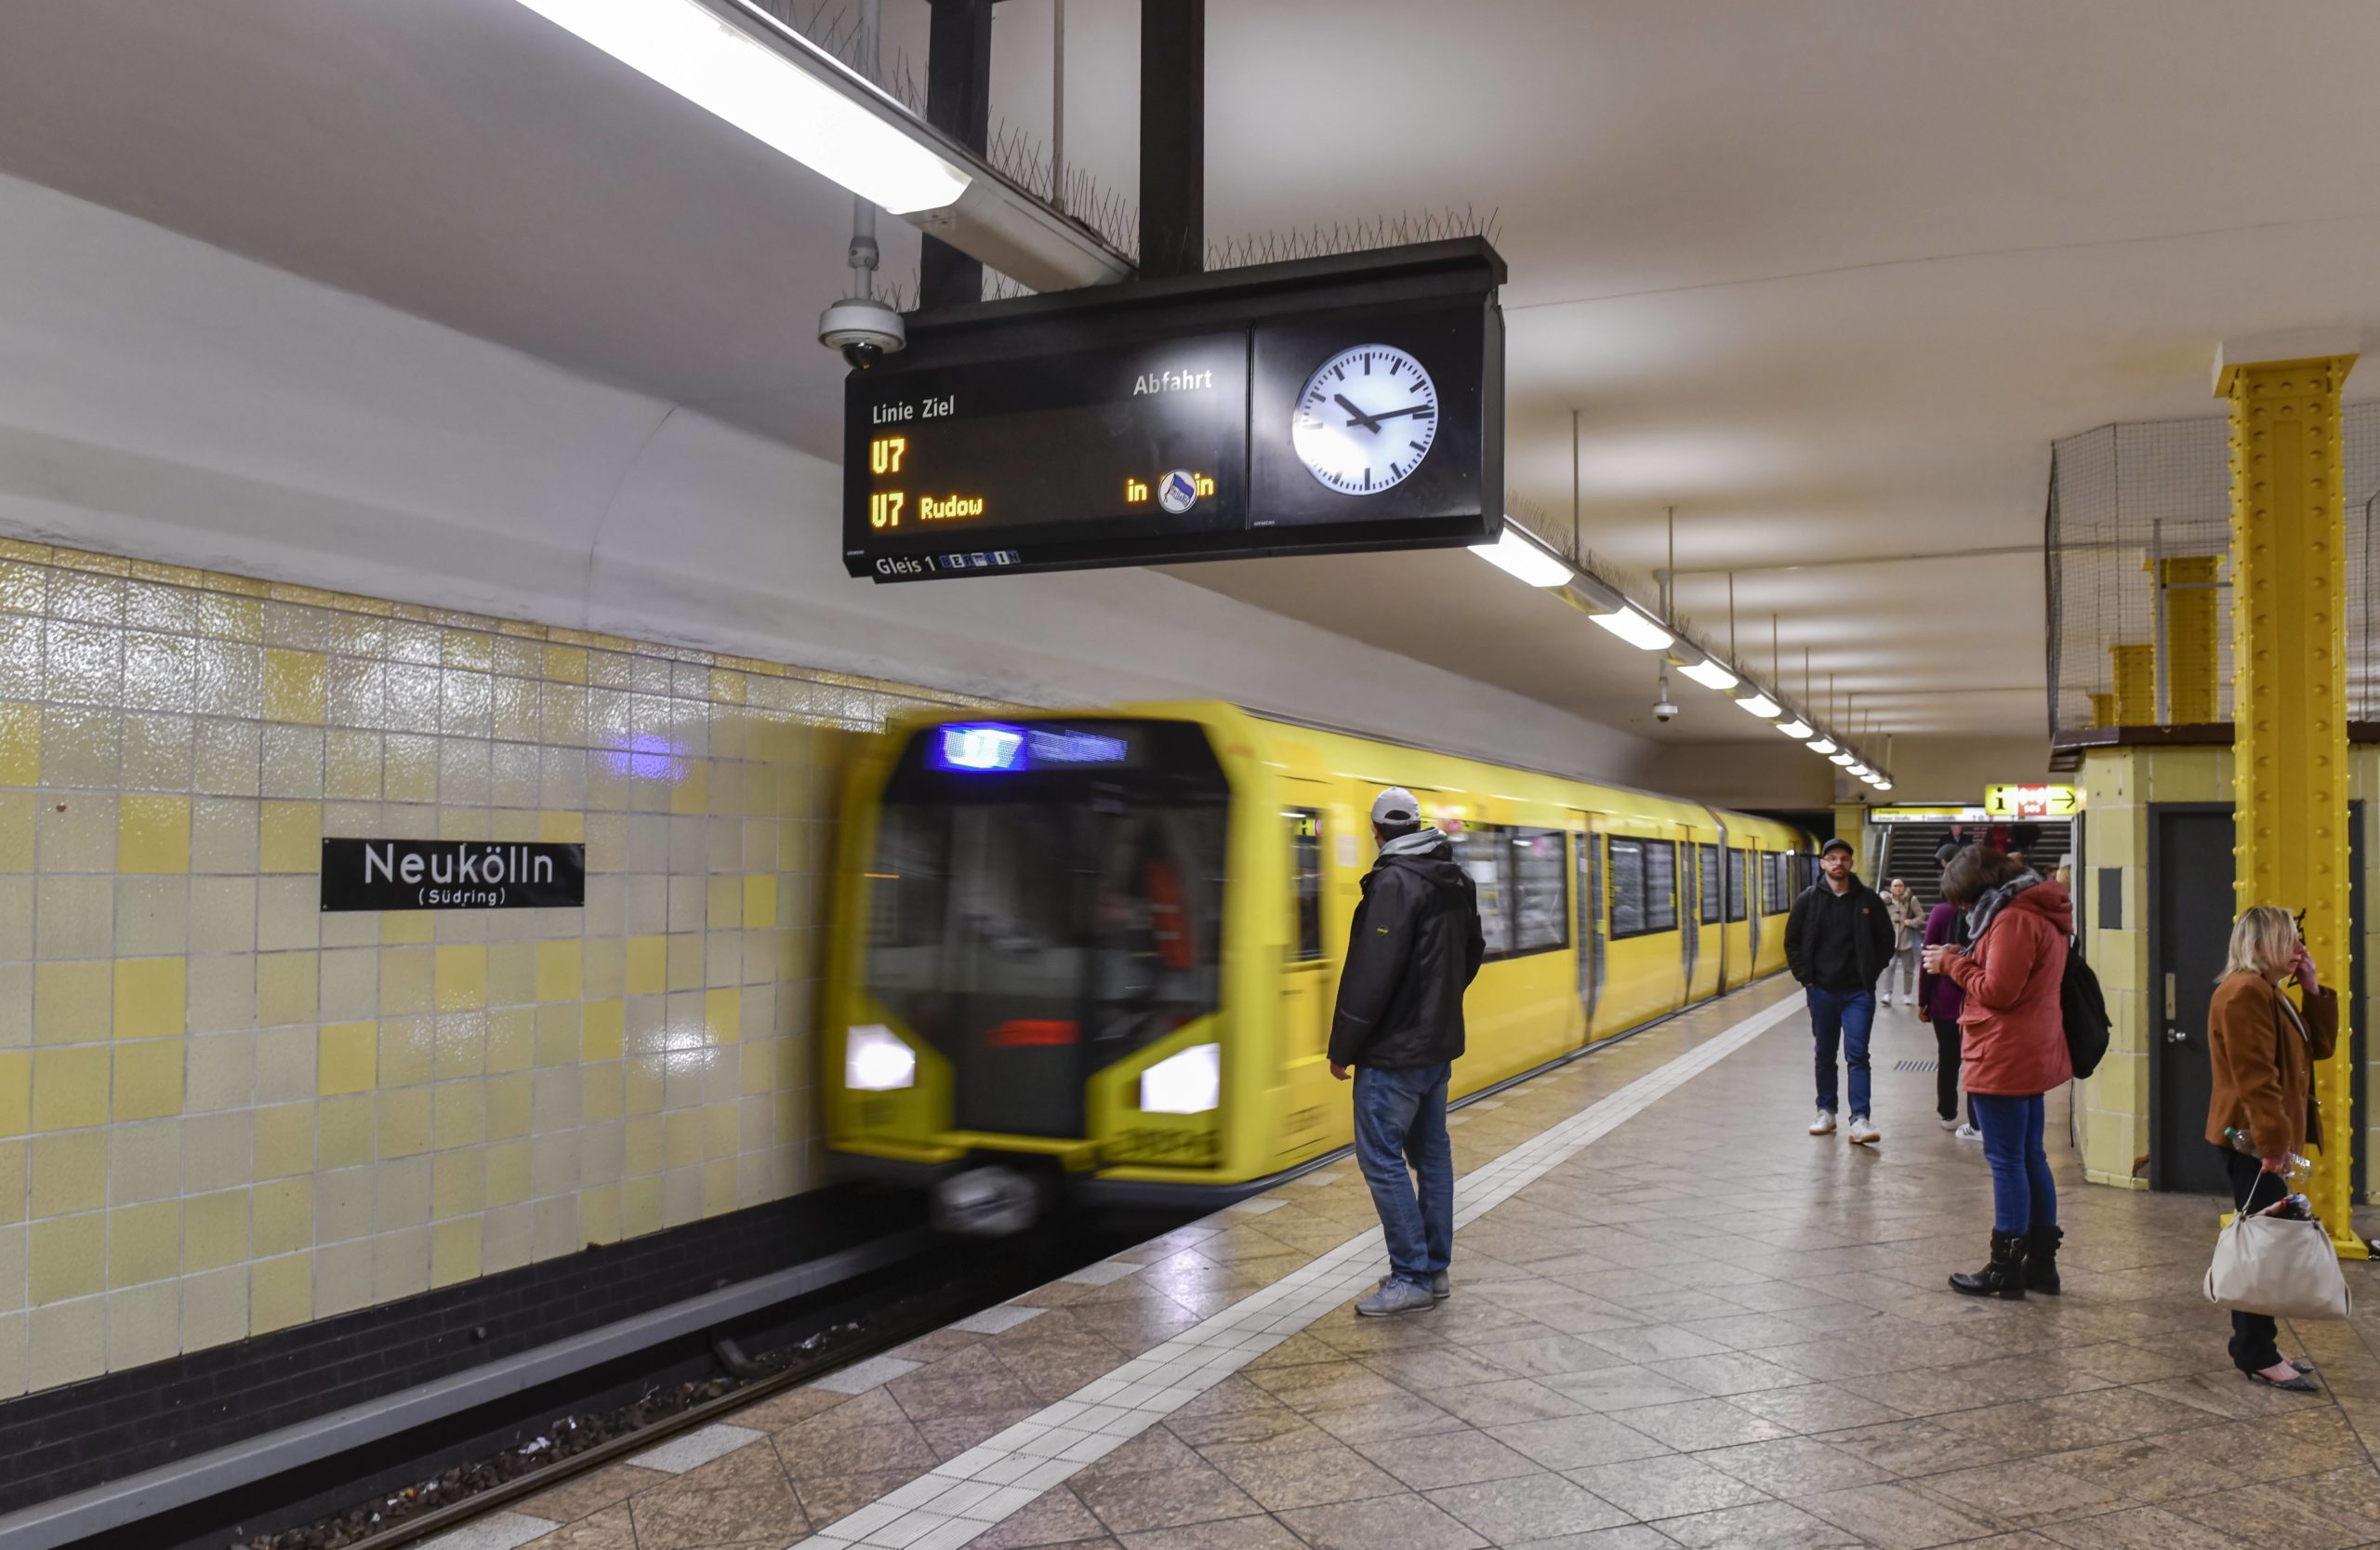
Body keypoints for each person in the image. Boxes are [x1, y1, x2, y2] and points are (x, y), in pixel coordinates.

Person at [1329, 787, 1485, 1318]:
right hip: (1435, 1048)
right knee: (1432, 1155)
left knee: (1381, 1158)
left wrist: (1342, 1048)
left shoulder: (1394, 883)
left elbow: (1370, 976)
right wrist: (1438, 1007)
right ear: (1418, 825)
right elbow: (1473, 953)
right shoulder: (1453, 877)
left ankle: (1411, 1276)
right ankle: (1434, 1269)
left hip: (1394, 1052)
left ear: (1377, 832)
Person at [1924, 845, 2070, 1298]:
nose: (1964, 908)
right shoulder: (2034, 909)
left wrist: (1952, 964)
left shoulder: (2013, 918)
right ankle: (2041, 1267)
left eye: (1965, 900)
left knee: (2007, 1161)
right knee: (2031, 1157)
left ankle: (2005, 1268)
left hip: (2003, 1051)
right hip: (2029, 1047)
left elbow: (1999, 990)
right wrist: (1967, 955)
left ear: (1982, 888)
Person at [2205, 906, 2336, 1391]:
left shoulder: (2267, 991)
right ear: (2259, 945)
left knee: (2269, 1242)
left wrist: (2314, 986)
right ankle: (2254, 1351)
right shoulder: (2243, 994)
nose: (2299, 947)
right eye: (2289, 939)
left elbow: (2317, 1047)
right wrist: (2274, 1144)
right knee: (2263, 1245)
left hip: (2262, 1139)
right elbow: (2256, 1078)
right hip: (2252, 1140)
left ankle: (2262, 1344)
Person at [1784, 836, 1895, 1145]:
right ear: (1822, 863)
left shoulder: (1868, 900)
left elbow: (1887, 940)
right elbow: (1792, 941)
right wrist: (1805, 978)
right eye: (1832, 858)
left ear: (1851, 863)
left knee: (1857, 1054)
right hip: (1821, 991)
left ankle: (1860, 1119)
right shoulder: (1808, 900)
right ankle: (1826, 1111)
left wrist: (1871, 972)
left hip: (1858, 992)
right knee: (1825, 1053)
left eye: (1844, 858)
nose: (1838, 863)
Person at [1917, 842, 1981, 1140]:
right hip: (1975, 997)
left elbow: (1928, 959)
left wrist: (1922, 1001)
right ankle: (1976, 1119)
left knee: (1948, 1058)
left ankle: (1947, 1113)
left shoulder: (1940, 913)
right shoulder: (1985, 912)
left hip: (1943, 1001)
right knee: (1975, 1060)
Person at [1882, 878, 1924, 1009]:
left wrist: (1911, 922)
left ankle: (1907, 994)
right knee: (1889, 967)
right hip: (1891, 941)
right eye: (1895, 886)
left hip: (1907, 940)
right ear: (1891, 888)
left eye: (1901, 886)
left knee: (1909, 970)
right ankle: (1887, 994)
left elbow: (1921, 916)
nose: (1898, 888)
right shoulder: (1885, 902)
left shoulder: (1912, 900)